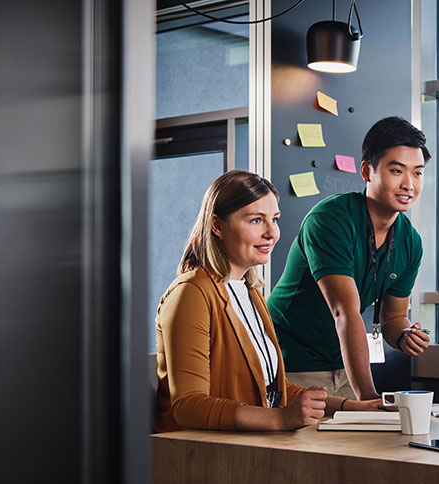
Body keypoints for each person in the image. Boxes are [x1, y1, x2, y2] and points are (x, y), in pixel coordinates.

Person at [155, 170, 383, 433]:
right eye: (255, 220)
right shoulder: (191, 292)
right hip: (200, 452)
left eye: (274, 219)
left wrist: (351, 407)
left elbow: (273, 388)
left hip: (247, 444)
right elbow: (189, 406)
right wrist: (280, 419)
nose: (271, 233)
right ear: (216, 226)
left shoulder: (249, 291)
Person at [267, 116, 431, 401]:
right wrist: (368, 397)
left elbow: (392, 316)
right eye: (397, 171)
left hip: (344, 365)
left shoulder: (410, 242)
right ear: (367, 171)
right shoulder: (330, 219)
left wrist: (404, 334)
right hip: (290, 362)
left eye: (417, 173)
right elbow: (345, 312)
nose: (409, 184)